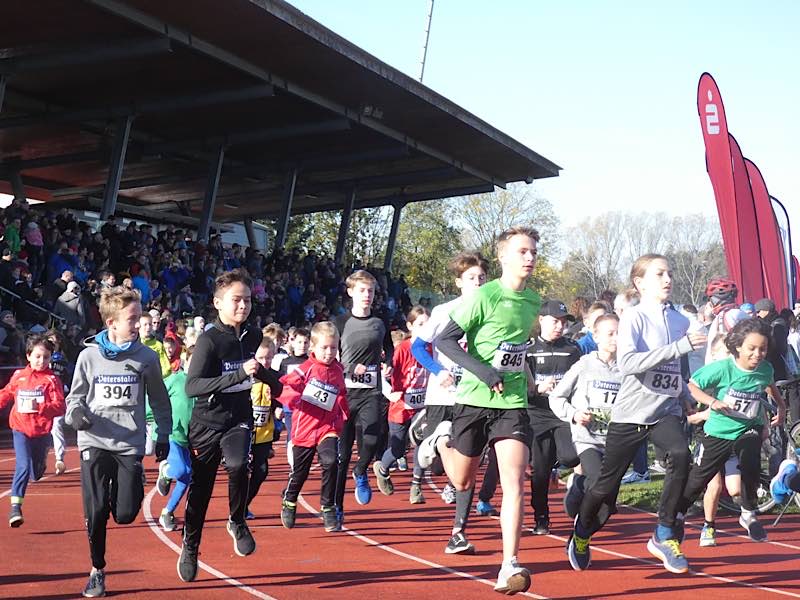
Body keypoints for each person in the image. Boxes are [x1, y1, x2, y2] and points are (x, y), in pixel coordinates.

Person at [417, 226, 541, 594]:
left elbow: (516, 348)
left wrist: (525, 375)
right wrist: (484, 371)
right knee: (462, 481)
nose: (530, 258)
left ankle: (509, 564)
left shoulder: (533, 301)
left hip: (511, 402)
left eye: (533, 251)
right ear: (503, 257)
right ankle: (440, 440)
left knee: (514, 481)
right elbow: (444, 340)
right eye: (522, 251)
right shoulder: (483, 296)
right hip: (473, 398)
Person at [567, 254, 707, 575]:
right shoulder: (633, 318)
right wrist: (680, 347)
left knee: (679, 455)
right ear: (640, 283)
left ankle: (664, 532)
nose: (668, 279)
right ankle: (582, 533)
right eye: (659, 274)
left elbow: (676, 365)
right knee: (604, 490)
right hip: (631, 414)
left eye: (669, 273)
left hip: (665, 411)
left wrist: (684, 394)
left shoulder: (680, 321)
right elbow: (629, 363)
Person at [64, 286, 172, 598]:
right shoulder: (88, 356)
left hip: (129, 443)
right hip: (94, 440)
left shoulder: (147, 358)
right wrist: (77, 416)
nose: (139, 324)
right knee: (96, 510)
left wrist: (162, 434)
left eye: (139, 318)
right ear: (111, 322)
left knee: (124, 514)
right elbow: (75, 399)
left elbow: (160, 401)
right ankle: (97, 570)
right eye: (133, 319)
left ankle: (134, 479)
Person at [177, 269, 282, 584]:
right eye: (236, 300)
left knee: (238, 466)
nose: (243, 306)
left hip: (239, 419)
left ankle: (237, 521)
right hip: (207, 424)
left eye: (248, 300)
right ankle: (190, 545)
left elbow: (255, 370)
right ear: (218, 303)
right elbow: (192, 386)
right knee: (202, 490)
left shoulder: (252, 336)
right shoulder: (210, 340)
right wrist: (238, 376)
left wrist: (273, 382)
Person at [410, 251, 492, 553]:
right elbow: (419, 347)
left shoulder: (492, 310)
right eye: (471, 278)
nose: (478, 282)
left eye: (482, 277)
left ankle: (458, 531)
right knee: (440, 467)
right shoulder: (445, 311)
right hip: (443, 395)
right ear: (459, 282)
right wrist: (438, 370)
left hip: (474, 397)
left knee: (468, 465)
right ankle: (437, 440)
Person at [677, 318, 787, 542]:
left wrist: (782, 407)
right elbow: (691, 386)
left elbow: (769, 385)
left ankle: (748, 513)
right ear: (737, 346)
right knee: (699, 480)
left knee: (751, 461)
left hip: (749, 427)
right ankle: (675, 515)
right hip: (719, 431)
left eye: (763, 349)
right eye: (752, 349)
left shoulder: (765, 369)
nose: (758, 354)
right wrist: (712, 402)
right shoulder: (723, 369)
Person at [333, 270, 394, 527]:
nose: (367, 295)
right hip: (345, 393)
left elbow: (389, 348)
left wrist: (389, 363)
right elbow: (330, 359)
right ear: (350, 292)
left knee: (370, 439)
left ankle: (361, 470)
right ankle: (335, 506)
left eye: (370, 291)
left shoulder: (381, 322)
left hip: (371, 391)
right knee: (342, 455)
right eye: (362, 290)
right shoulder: (340, 323)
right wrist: (348, 369)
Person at [278, 321, 349, 532]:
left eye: (333, 348)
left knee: (330, 461)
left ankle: (327, 506)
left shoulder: (338, 369)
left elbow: (341, 395)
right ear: (313, 348)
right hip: (305, 427)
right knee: (300, 471)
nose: (329, 353)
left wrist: (342, 416)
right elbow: (287, 385)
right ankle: (289, 501)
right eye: (324, 348)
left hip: (328, 427)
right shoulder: (306, 368)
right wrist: (289, 400)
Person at [549, 313, 621, 521]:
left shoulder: (627, 368)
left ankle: (580, 487)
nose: (616, 338)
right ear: (596, 337)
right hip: (587, 438)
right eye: (610, 334)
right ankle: (581, 531)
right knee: (599, 482)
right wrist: (574, 414)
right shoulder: (584, 365)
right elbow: (557, 396)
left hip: (615, 441)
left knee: (607, 504)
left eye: (619, 334)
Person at [526, 299, 582, 534]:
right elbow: (519, 385)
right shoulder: (528, 349)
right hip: (537, 413)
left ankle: (566, 478)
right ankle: (541, 517)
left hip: (561, 413)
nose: (559, 326)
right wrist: (537, 388)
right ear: (541, 320)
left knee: (571, 457)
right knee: (540, 469)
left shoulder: (572, 349)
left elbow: (581, 381)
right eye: (554, 321)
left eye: (563, 322)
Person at [0, 334, 66, 527]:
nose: (41, 361)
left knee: (35, 472)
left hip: (41, 432)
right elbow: (6, 393)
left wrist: (42, 407)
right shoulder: (19, 376)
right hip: (20, 429)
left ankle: (40, 465)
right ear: (28, 356)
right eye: (37, 356)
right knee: (22, 465)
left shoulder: (52, 380)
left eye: (46, 357)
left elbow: (60, 406)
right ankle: (15, 508)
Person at [373, 306, 430, 499]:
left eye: (427, 324)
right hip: (400, 407)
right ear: (410, 326)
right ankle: (382, 468)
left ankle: (416, 487)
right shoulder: (403, 349)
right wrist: (391, 392)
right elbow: (387, 375)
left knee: (422, 445)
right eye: (420, 324)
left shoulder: (432, 347)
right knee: (398, 450)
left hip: (421, 407)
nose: (425, 328)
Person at [155, 344, 195, 532]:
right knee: (181, 469)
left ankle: (167, 512)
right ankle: (166, 471)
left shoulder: (206, 385)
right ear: (185, 360)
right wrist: (154, 420)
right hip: (172, 434)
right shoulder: (176, 380)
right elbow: (155, 399)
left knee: (187, 478)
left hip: (191, 439)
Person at [245, 338, 278, 519]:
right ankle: (237, 506)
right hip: (245, 434)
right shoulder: (246, 378)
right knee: (241, 471)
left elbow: (282, 395)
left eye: (269, 358)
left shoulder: (273, 377)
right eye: (261, 358)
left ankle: (244, 504)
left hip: (264, 434)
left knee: (261, 471)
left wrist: (279, 407)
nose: (265, 362)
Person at [47, 329, 73, 475]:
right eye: (50, 341)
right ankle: (38, 460)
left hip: (58, 399)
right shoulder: (39, 358)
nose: (53, 344)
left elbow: (68, 378)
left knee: (56, 426)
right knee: (41, 431)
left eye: (55, 342)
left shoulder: (62, 360)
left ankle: (59, 458)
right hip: (42, 400)